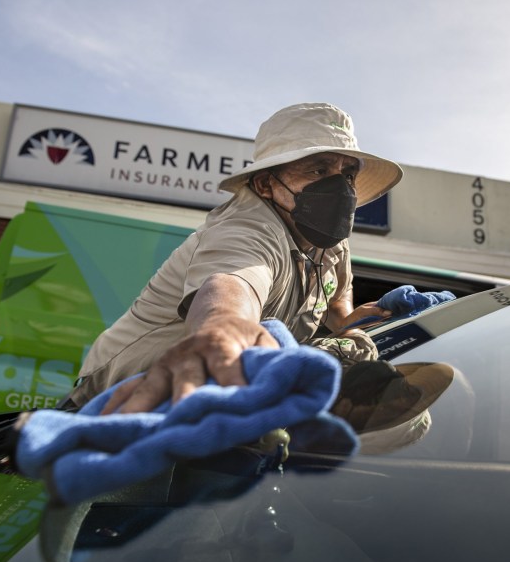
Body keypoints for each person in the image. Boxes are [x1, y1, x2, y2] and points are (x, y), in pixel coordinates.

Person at [67, 102, 403, 414]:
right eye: (317, 170)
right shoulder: (244, 230)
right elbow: (231, 284)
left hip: (207, 403)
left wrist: (346, 320)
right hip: (114, 404)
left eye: (346, 173)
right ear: (265, 184)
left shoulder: (330, 242)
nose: (340, 187)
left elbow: (334, 294)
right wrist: (222, 329)